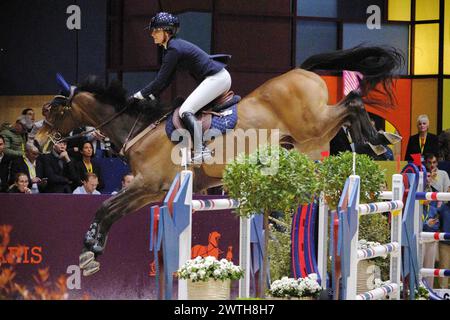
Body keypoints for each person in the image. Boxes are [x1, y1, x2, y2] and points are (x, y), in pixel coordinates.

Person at [130, 12, 232, 163]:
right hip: (217, 77)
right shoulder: (171, 48)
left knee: (185, 110)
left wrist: (137, 96)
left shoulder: (174, 49)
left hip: (216, 79)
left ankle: (201, 150)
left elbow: (160, 81)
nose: (152, 34)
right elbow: (166, 80)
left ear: (167, 31)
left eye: (156, 30)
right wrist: (150, 97)